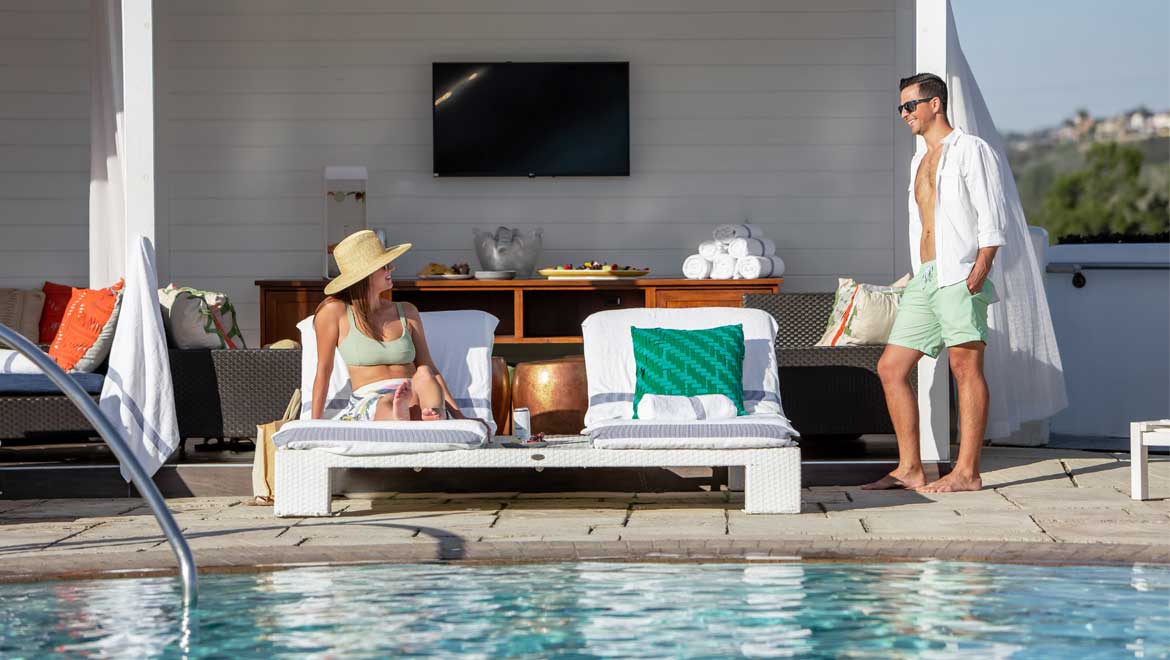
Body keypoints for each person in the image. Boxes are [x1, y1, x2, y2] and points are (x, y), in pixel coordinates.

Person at [863, 73, 1008, 493]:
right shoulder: (918, 160)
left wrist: (979, 270)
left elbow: (991, 215)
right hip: (926, 277)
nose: (904, 114)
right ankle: (910, 467)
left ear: (935, 104)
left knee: (965, 367)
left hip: (959, 272)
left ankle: (967, 472)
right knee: (891, 368)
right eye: (901, 108)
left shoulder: (970, 150)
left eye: (910, 106)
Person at [312, 230, 466, 423]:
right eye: (385, 265)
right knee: (385, 402)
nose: (392, 268)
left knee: (425, 374)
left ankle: (428, 415)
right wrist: (314, 424)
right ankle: (404, 416)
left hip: (415, 391)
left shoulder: (407, 311)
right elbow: (323, 371)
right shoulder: (334, 312)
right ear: (365, 275)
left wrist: (461, 416)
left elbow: (429, 368)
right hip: (372, 397)